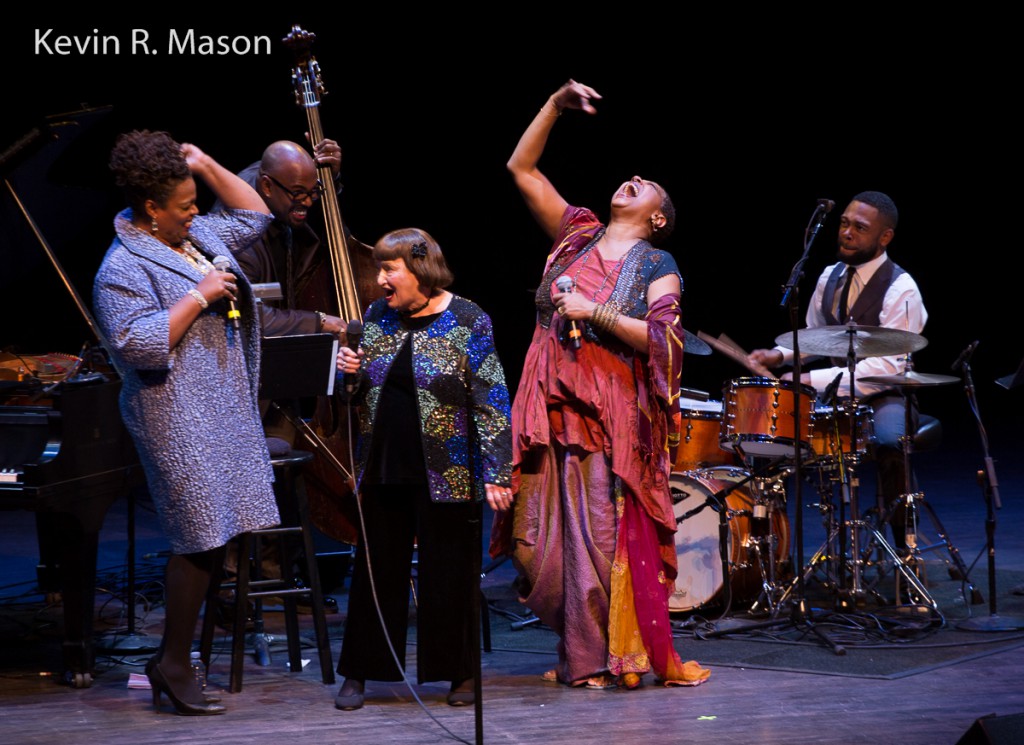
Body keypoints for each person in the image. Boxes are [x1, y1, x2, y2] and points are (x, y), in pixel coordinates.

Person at [489, 80, 711, 690]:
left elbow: (664, 339)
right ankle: (579, 648)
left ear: (657, 217)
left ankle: (597, 657)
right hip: (543, 402)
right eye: (630, 177)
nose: (631, 178)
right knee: (536, 544)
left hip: (605, 413)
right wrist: (554, 107)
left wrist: (599, 313)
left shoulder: (657, 266)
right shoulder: (576, 234)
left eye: (647, 186)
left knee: (596, 535)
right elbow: (521, 167)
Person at [93, 130, 280, 715]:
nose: (197, 211)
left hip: (220, 404)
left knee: (217, 535)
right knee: (198, 537)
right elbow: (138, 345)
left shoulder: (191, 235)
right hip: (173, 413)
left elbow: (255, 212)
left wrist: (201, 161)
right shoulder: (121, 267)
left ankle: (176, 660)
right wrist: (198, 296)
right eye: (185, 202)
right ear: (152, 208)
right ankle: (173, 662)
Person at [332, 228, 513, 711]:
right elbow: (355, 395)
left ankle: (458, 674)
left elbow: (491, 399)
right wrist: (347, 376)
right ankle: (360, 671)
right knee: (375, 572)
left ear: (420, 270)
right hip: (384, 464)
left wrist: (498, 472)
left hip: (450, 470)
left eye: (389, 269)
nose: (380, 280)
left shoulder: (467, 318)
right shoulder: (376, 316)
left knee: (450, 574)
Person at [747, 190, 928, 554]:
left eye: (860, 228)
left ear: (884, 237)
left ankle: (905, 547)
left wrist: (808, 380)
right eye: (844, 224)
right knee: (763, 438)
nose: (847, 233)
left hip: (884, 395)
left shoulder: (901, 288)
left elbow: (887, 366)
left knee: (891, 443)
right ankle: (765, 552)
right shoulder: (829, 277)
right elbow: (816, 339)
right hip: (830, 395)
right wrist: (779, 356)